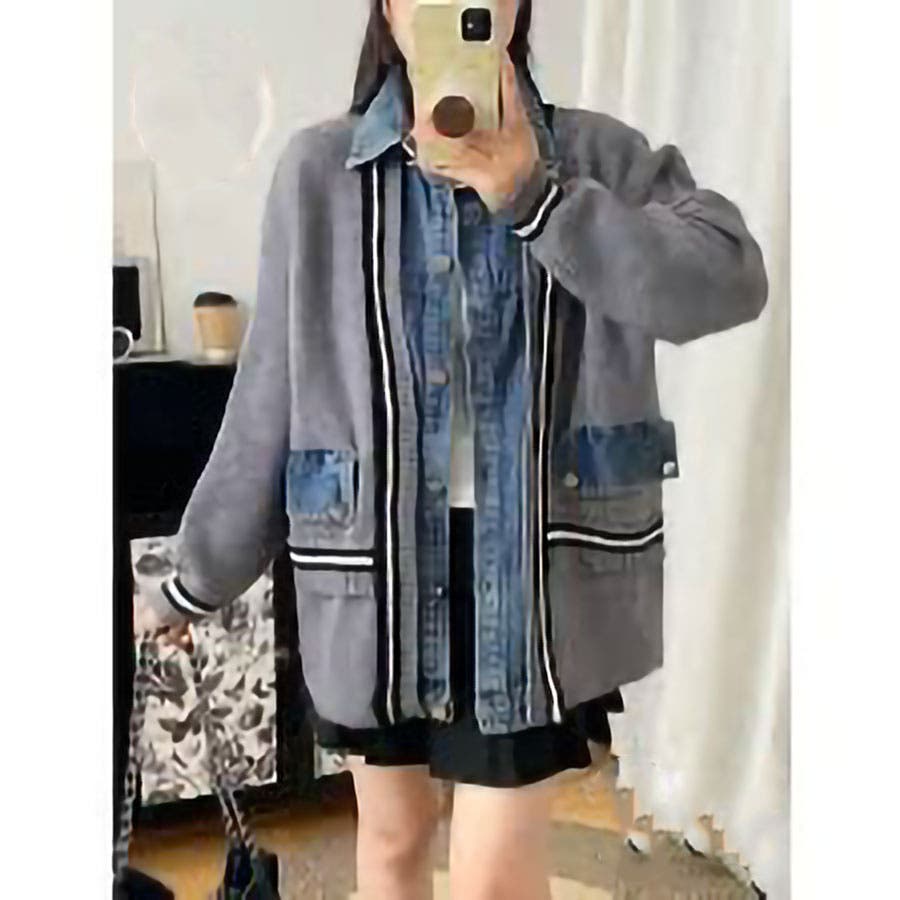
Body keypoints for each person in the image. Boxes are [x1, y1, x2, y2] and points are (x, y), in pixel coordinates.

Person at [134, 1, 769, 897]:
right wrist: (195, 578)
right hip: (370, 569)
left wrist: (537, 198)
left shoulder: (596, 157)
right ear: (389, 8)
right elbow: (269, 391)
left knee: (490, 877)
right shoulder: (321, 172)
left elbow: (730, 279)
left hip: (534, 573)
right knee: (393, 841)